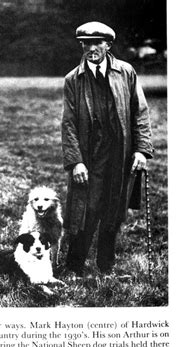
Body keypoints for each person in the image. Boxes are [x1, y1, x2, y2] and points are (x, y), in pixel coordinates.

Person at [61, 21, 153, 277]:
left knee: (114, 208)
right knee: (86, 210)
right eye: (86, 43)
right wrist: (75, 161)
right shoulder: (73, 79)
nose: (91, 48)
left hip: (120, 154)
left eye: (97, 43)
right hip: (90, 157)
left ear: (108, 45)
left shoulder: (126, 72)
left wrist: (141, 150)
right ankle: (74, 266)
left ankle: (106, 266)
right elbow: (68, 124)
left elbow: (140, 113)